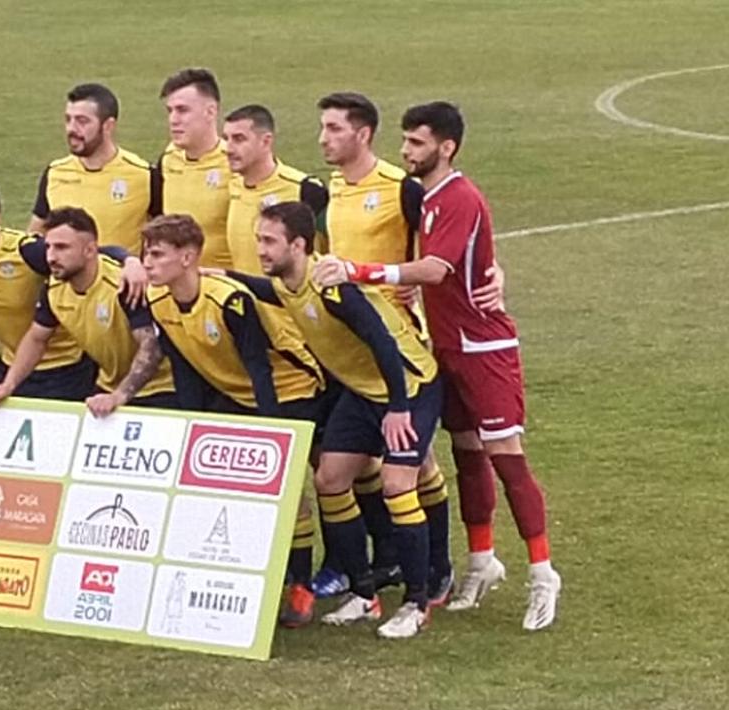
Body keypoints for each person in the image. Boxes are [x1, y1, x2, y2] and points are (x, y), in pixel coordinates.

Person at [314, 101, 561, 631]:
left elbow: (434, 268)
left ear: (446, 147)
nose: (406, 151)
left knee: (506, 460)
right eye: (405, 142)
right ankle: (480, 562)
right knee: (468, 457)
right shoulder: (423, 196)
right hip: (444, 348)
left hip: (484, 349)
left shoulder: (459, 197)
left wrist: (362, 271)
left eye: (418, 143)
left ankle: (543, 574)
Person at [232, 202, 443, 638]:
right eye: (259, 240)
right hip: (363, 393)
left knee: (397, 484)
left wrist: (398, 408)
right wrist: (224, 277)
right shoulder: (288, 282)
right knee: (329, 480)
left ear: (299, 245)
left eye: (269, 241)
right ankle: (365, 596)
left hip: (409, 386)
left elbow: (383, 343)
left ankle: (417, 604)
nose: (261, 249)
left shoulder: (332, 287)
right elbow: (273, 293)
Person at [142, 214, 329, 627]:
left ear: (188, 257)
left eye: (157, 254)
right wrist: (195, 425)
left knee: (290, 491)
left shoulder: (230, 300)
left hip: (288, 390)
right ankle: (252, 579)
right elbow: (185, 367)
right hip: (236, 394)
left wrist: (272, 432)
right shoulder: (158, 300)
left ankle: (300, 586)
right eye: (146, 254)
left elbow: (259, 367)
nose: (148, 263)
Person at [316, 91, 455, 604]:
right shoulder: (328, 190)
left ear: (363, 134)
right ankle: (384, 575)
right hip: (352, 353)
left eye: (334, 129)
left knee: (411, 470)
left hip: (401, 348)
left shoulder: (401, 190)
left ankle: (434, 572)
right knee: (382, 469)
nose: (324, 138)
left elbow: (442, 252)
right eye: (323, 128)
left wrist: (490, 275)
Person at [0, 180, 146, 401]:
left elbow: (86, 254)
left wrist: (130, 261)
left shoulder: (29, 253)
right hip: (14, 363)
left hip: (64, 367)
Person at [0, 208, 176, 415]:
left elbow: (151, 347)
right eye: (48, 247)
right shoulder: (54, 287)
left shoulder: (123, 284)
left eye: (62, 247)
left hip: (159, 390)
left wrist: (119, 396)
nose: (51, 257)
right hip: (108, 387)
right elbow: (37, 338)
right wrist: (9, 385)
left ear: (90, 250)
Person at [30, 83, 161, 254]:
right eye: (68, 119)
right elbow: (35, 235)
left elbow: (164, 239)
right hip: (64, 280)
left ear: (108, 126)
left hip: (119, 279)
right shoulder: (55, 173)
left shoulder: (143, 175)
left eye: (82, 121)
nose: (72, 129)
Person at [222, 104, 327, 273]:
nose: (228, 149)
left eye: (239, 139)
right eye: (226, 139)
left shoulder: (304, 189)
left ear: (266, 141)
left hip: (290, 299)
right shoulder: (233, 187)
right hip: (245, 297)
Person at [157, 68, 233, 269]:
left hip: (223, 291)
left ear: (211, 112)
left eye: (182, 110)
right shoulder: (168, 159)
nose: (173, 120)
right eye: (170, 111)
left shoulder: (235, 165)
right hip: (175, 289)